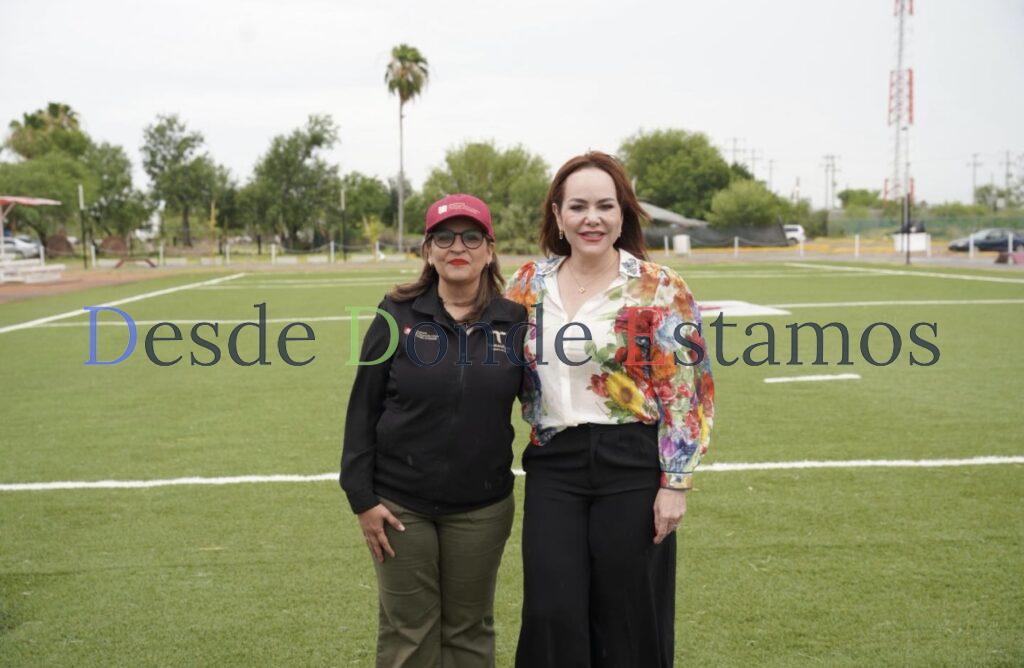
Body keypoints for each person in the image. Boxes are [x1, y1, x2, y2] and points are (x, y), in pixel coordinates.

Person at [504, 152, 715, 667]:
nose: (591, 218)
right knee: (552, 612)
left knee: (626, 612)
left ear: (623, 214)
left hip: (631, 464)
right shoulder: (526, 284)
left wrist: (675, 485)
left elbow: (687, 391)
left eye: (605, 205)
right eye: (577, 206)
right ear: (557, 216)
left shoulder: (660, 286)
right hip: (555, 462)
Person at [341, 193, 527, 667]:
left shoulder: (516, 321)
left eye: (470, 236)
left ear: (489, 249)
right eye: (443, 237)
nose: (456, 246)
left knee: (469, 631)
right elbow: (362, 410)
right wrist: (362, 499)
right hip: (401, 505)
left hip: (482, 507)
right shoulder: (396, 313)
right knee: (409, 633)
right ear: (428, 250)